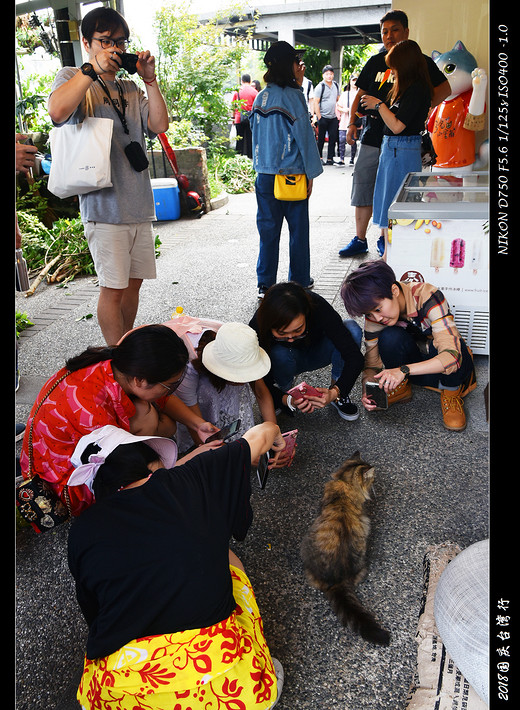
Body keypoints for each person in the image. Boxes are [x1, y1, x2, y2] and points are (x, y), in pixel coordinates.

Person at [67, 422, 285, 709]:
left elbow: (93, 612)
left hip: (119, 690)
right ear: (152, 462)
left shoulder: (83, 528)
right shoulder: (194, 478)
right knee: (227, 557)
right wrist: (277, 437)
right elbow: (262, 432)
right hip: (223, 683)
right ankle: (257, 675)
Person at [47, 7, 169, 346]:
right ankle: (119, 363)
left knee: (133, 285)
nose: (114, 49)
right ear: (86, 42)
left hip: (138, 202)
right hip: (104, 207)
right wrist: (91, 70)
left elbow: (159, 125)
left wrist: (150, 79)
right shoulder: (73, 76)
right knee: (112, 289)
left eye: (120, 42)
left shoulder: (130, 87)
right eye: (105, 41)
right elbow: (58, 111)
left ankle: (124, 349)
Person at [19, 324, 219, 516]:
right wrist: (195, 458)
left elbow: (162, 397)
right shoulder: (91, 410)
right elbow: (129, 471)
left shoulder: (121, 362)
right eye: (171, 385)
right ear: (140, 380)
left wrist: (197, 424)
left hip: (71, 448)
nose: (172, 390)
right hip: (63, 483)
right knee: (148, 420)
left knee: (148, 414)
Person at [338, 9, 450, 259]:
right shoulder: (377, 61)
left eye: (394, 30)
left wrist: (420, 108)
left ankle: (385, 241)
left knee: (397, 194)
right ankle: (360, 238)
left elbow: (445, 88)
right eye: (384, 31)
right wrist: (353, 124)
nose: (388, 36)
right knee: (367, 187)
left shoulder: (419, 63)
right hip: (375, 137)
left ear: (407, 31)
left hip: (403, 141)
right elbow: (360, 95)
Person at [340, 260, 477, 431]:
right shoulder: (375, 316)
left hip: (446, 368)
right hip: (413, 369)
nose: (376, 318)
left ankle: (451, 393)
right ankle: (402, 389)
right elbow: (372, 365)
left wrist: (402, 370)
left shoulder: (428, 296)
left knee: (450, 347)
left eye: (378, 309)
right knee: (389, 337)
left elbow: (452, 358)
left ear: (394, 291)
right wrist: (368, 388)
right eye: (369, 314)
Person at [250, 41, 323, 299]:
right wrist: (311, 173)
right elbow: (304, 136)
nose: (298, 65)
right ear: (288, 64)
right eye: (295, 61)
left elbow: (255, 136)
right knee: (297, 229)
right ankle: (300, 280)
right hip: (292, 174)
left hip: (265, 175)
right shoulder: (294, 96)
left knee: (268, 230)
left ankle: (265, 284)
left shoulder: (262, 96)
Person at [359, 39, 434, 259]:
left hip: (401, 151)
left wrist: (379, 105)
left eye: (395, 66)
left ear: (406, 65)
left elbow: (398, 126)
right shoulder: (407, 89)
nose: (392, 71)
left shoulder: (416, 89)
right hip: (393, 149)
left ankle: (393, 258)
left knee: (396, 208)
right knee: (387, 204)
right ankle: (388, 256)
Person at [250, 282, 364, 421]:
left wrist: (335, 392)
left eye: (298, 330)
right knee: (279, 353)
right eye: (282, 334)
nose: (291, 339)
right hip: (284, 361)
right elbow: (257, 381)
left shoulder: (317, 305)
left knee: (352, 329)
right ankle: (284, 392)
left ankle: (338, 394)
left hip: (317, 352)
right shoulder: (258, 324)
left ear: (306, 313)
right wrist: (285, 399)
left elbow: (355, 357)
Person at [174, 322, 277, 453]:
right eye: (237, 376)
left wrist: (274, 434)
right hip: (193, 396)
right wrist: (241, 456)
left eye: (248, 373)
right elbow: (194, 424)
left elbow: (261, 392)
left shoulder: (240, 346)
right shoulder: (188, 368)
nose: (244, 381)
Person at [313, 64, 340, 165]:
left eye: (331, 74)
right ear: (323, 75)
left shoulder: (336, 85)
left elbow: (338, 99)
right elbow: (316, 102)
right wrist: (319, 116)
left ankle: (330, 158)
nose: (329, 76)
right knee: (321, 139)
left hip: (333, 117)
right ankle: (319, 157)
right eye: (327, 74)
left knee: (333, 138)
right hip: (323, 116)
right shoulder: (320, 86)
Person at [231, 73, 258, 159]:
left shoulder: (237, 91)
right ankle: (251, 158)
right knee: (250, 139)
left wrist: (233, 117)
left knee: (239, 139)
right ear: (250, 81)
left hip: (239, 118)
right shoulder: (254, 92)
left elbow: (233, 105)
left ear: (242, 81)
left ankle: (238, 157)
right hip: (251, 118)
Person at [335, 75, 359, 166]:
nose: (354, 82)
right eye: (353, 80)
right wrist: (344, 110)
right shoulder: (345, 94)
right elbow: (338, 106)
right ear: (350, 81)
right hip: (345, 120)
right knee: (341, 140)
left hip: (354, 120)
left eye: (356, 80)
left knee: (353, 140)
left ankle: (352, 159)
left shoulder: (359, 94)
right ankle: (342, 159)